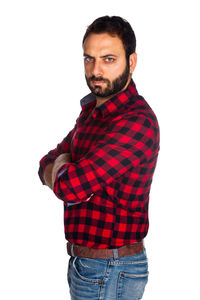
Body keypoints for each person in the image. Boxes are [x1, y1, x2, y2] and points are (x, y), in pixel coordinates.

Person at [38, 15, 160, 300]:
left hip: (111, 267)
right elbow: (46, 162)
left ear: (131, 62)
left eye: (108, 59)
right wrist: (62, 168)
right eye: (89, 59)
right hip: (91, 264)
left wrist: (64, 171)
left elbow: (70, 187)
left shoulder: (136, 122)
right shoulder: (92, 113)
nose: (95, 70)